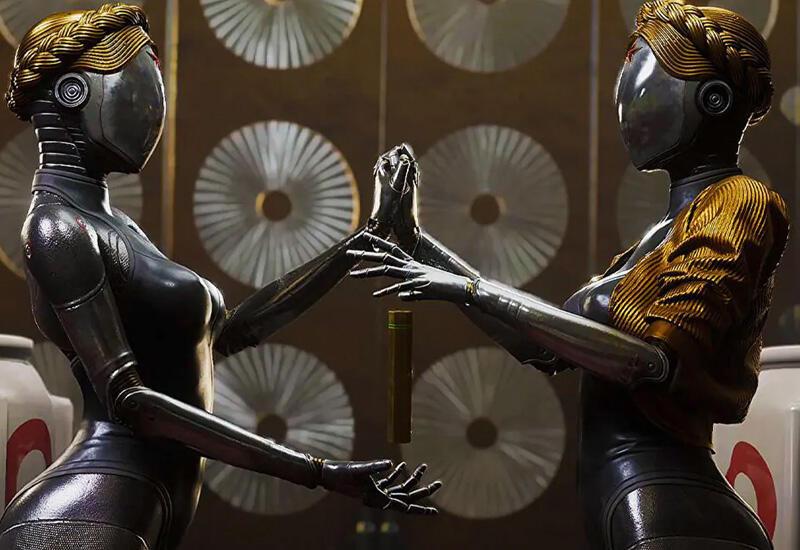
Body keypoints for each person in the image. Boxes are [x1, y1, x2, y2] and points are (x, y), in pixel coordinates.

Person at [349, 1, 789, 548]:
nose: (627, 104)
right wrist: (418, 244)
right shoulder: (656, 241)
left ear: (713, 100)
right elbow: (542, 345)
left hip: (670, 507)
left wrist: (471, 289)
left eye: (644, 81)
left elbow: (657, 361)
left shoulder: (739, 200)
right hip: (626, 498)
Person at [1, 4, 440, 549]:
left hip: (141, 504)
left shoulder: (114, 226)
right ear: (74, 93)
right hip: (90, 511)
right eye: (135, 86)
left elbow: (226, 334)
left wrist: (363, 242)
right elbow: (133, 403)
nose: (150, 111)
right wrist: (319, 472)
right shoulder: (57, 227)